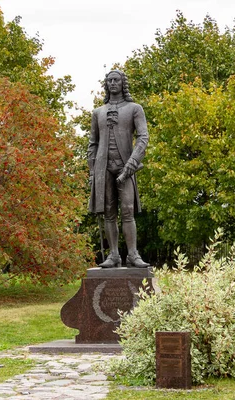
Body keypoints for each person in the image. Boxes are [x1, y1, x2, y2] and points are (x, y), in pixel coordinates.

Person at [87, 70, 150, 268]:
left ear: (123, 83)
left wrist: (132, 163)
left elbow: (143, 137)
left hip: (126, 166)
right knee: (108, 212)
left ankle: (132, 254)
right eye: (109, 80)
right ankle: (113, 255)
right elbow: (92, 144)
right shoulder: (98, 112)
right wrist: (91, 171)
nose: (113, 83)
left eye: (116, 80)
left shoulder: (134, 108)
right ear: (106, 85)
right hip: (102, 167)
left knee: (128, 210)